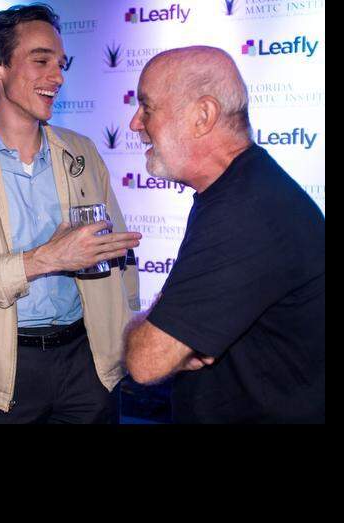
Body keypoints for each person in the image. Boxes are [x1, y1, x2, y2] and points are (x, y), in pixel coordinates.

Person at [0, 3, 142, 424]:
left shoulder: (82, 151)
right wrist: (42, 260)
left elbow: (118, 261)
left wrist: (122, 338)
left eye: (61, 64)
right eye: (41, 61)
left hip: (88, 367)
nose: (58, 76)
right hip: (0, 375)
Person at [123, 46, 325, 423]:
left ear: (203, 115)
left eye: (148, 107)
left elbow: (145, 360)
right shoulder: (238, 189)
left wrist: (154, 323)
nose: (136, 123)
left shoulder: (247, 209)